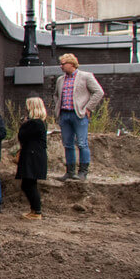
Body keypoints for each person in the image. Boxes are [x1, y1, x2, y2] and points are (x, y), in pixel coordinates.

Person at [51, 53, 104, 181]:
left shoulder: (85, 76)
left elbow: (99, 92)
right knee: (67, 144)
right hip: (65, 114)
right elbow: (56, 95)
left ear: (72, 64)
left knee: (82, 143)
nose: (61, 66)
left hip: (79, 115)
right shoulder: (60, 80)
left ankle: (83, 172)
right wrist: (58, 108)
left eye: (63, 64)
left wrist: (88, 107)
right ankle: (70, 172)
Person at [15, 96, 49, 220]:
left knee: (29, 185)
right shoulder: (40, 123)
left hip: (32, 158)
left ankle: (36, 211)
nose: (25, 108)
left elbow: (22, 135)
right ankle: (34, 210)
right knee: (29, 184)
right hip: (34, 156)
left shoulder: (35, 123)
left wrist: (23, 125)